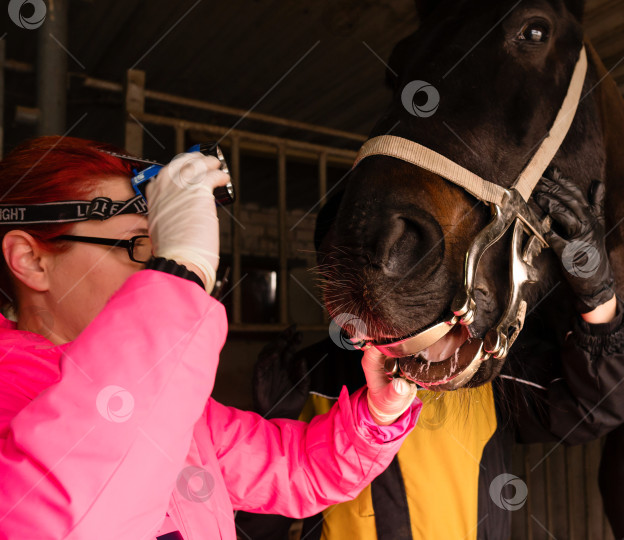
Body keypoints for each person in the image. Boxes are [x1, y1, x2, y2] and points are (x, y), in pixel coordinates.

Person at [0, 136, 422, 540]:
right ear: (30, 260)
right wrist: (178, 273)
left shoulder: (178, 411)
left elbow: (297, 471)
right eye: (138, 247)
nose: (155, 270)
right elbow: (63, 522)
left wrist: (375, 419)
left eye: (163, 249)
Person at [236, 171, 624, 539]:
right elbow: (252, 527)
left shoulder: (478, 362)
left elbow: (599, 404)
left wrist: (597, 296)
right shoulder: (310, 377)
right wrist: (274, 418)